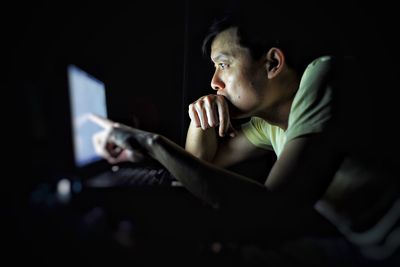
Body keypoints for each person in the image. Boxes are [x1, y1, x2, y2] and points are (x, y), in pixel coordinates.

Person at [89, 2, 399, 265]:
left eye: (223, 64)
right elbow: (196, 172)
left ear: (273, 63)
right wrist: (196, 121)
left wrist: (152, 143)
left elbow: (271, 211)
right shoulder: (268, 123)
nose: (214, 82)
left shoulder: (325, 74)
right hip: (362, 250)